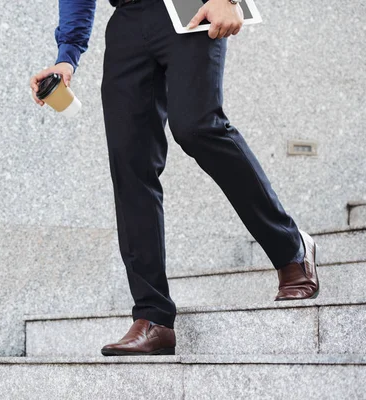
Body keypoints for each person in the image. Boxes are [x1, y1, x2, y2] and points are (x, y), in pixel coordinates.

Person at [29, 0, 319, 356]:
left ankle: (291, 249)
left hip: (189, 6)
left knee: (198, 127)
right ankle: (153, 318)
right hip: (127, 22)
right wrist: (66, 55)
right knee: (129, 161)